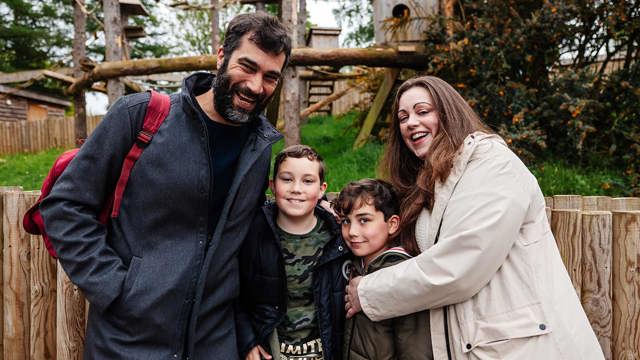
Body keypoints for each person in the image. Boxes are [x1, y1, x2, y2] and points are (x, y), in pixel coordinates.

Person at [39, 12, 291, 359]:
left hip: (214, 343)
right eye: (247, 66)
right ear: (221, 56)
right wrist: (116, 289)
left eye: (270, 77)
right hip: (127, 342)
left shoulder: (259, 148)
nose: (255, 85)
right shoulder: (139, 115)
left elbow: (238, 247)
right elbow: (64, 205)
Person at [344, 76, 604, 359]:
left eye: (422, 111)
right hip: (483, 343)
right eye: (403, 117)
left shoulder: (493, 166)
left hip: (522, 346)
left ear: (448, 112)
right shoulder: (434, 182)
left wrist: (370, 292)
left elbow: (461, 265)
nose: (410, 123)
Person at [236, 145, 352, 360]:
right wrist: (248, 340)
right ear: (272, 185)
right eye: (287, 179)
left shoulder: (339, 238)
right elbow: (235, 293)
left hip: (325, 350)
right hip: (273, 351)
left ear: (321, 189)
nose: (296, 188)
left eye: (308, 181)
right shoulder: (254, 234)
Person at [332, 178, 432, 360]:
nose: (352, 231)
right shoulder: (354, 265)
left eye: (364, 220)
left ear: (392, 224)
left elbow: (415, 347)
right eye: (346, 221)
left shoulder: (402, 274)